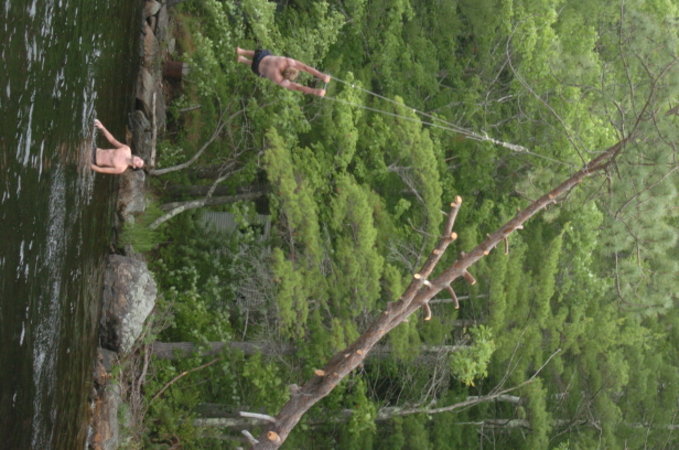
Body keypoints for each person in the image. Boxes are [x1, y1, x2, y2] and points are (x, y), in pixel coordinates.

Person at [236, 47, 331, 97]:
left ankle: (242, 51)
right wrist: (315, 91)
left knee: (260, 54)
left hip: (260, 57)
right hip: (256, 68)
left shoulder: (286, 62)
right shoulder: (281, 80)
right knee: (262, 70)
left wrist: (321, 75)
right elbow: (298, 88)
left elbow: (305, 68)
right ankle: (243, 60)